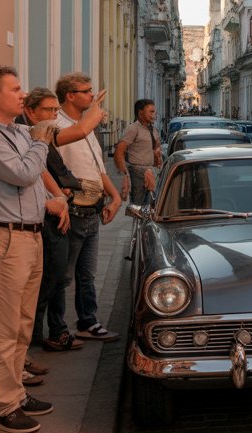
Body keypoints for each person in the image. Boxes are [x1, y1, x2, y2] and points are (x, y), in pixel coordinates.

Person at [0, 66, 67, 433]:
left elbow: (35, 173)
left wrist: (53, 199)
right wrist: (39, 141)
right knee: (3, 327)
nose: (23, 95)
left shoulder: (18, 132)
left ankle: (17, 392)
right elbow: (23, 174)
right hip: (5, 239)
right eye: (15, 88)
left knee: (22, 323)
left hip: (30, 236)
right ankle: (2, 406)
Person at [54, 73, 122, 342]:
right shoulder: (59, 126)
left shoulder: (86, 126)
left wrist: (115, 197)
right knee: (63, 275)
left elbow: (97, 168)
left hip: (92, 211)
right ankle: (57, 329)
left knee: (88, 274)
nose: (92, 95)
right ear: (70, 95)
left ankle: (88, 322)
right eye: (86, 91)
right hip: (72, 211)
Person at [19, 88, 86, 355]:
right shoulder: (29, 135)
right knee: (50, 278)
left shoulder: (43, 135)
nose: (54, 115)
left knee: (57, 277)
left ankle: (53, 331)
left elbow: (46, 172)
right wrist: (56, 198)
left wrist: (61, 196)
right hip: (41, 217)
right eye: (49, 110)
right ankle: (34, 340)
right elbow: (34, 172)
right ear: (30, 111)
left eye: (56, 110)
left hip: (57, 212)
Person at [113, 99, 162, 205]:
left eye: (154, 112)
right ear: (140, 113)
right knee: (137, 207)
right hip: (137, 172)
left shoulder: (153, 129)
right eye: (151, 112)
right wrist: (124, 174)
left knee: (150, 207)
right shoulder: (133, 129)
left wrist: (157, 157)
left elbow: (156, 149)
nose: (154, 115)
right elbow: (119, 151)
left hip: (151, 172)